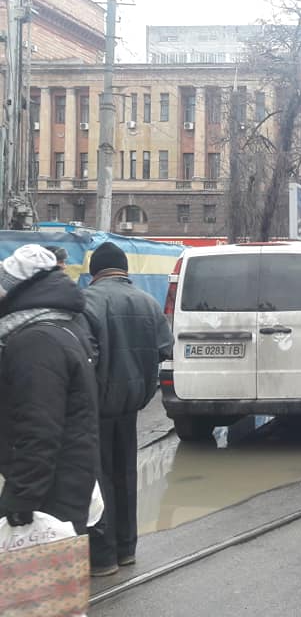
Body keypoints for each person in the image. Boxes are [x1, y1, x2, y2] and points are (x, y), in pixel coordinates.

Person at [83, 242, 174, 576]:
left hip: (96, 406)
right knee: (126, 474)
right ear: (124, 269)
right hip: (131, 405)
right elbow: (166, 348)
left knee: (99, 478)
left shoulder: (88, 302)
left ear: (95, 271)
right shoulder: (148, 303)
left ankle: (104, 558)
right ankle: (127, 550)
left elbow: (83, 356)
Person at [0, 245, 98, 537]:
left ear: (17, 291)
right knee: (56, 579)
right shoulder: (64, 325)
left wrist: (21, 499)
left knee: (32, 580)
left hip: (49, 492)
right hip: (68, 480)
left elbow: (39, 427)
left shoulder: (35, 342)